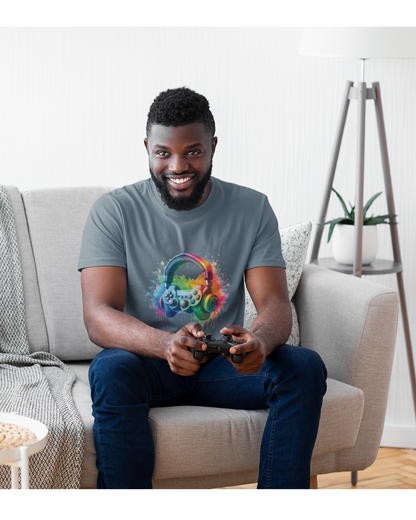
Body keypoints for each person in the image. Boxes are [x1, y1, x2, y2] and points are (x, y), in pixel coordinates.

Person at [78, 87, 327, 492]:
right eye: (163, 153)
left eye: (193, 151)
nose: (178, 166)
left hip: (220, 361)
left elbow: (275, 304)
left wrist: (260, 342)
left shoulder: (252, 208)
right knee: (110, 369)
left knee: (303, 368)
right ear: (147, 148)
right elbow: (98, 316)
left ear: (213, 146)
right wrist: (164, 345)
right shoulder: (114, 211)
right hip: (149, 362)